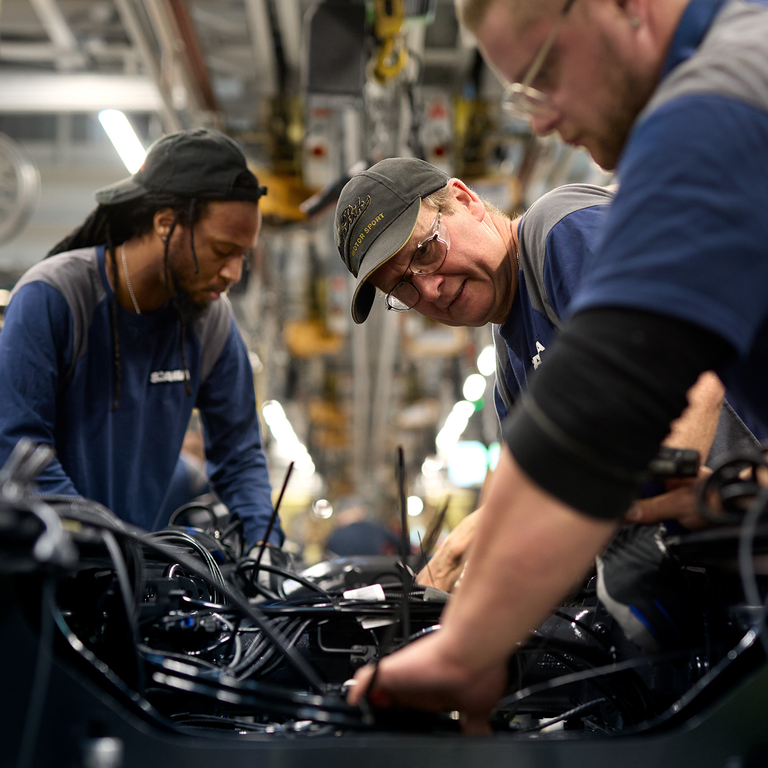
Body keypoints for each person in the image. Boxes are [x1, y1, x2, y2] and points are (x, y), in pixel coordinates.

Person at [342, 0, 768, 732]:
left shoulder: (567, 223)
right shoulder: (512, 351)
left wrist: (468, 642)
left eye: (544, 74)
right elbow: (552, 462)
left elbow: (635, 400)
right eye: (404, 292)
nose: (537, 121)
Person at [334, 157, 758, 591]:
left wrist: (638, 520)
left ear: (465, 200)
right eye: (402, 287)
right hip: (708, 576)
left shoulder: (558, 232)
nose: (429, 288)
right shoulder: (509, 360)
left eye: (425, 251)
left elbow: (686, 375)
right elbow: (534, 497)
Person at [0, 128, 283, 551]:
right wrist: (108, 543)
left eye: (242, 255)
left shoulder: (210, 323)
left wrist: (265, 549)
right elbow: (19, 447)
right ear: (165, 223)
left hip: (130, 574)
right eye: (222, 250)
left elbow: (239, 457)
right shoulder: (56, 296)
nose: (234, 273)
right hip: (44, 574)